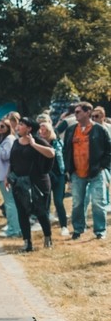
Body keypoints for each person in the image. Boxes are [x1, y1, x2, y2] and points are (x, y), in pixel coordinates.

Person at [63, 102, 111, 240]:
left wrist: (102, 166)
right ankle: (78, 229)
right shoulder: (71, 130)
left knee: (98, 202)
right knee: (77, 202)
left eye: (78, 112)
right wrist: (68, 169)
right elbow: (66, 150)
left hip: (96, 172)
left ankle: (100, 231)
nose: (75, 114)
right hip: (77, 172)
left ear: (87, 113)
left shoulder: (99, 130)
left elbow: (109, 150)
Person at [7, 118, 55, 252]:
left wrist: (33, 144)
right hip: (19, 183)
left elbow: (51, 153)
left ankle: (48, 238)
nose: (18, 127)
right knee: (22, 212)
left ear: (29, 129)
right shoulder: (16, 142)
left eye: (21, 125)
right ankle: (27, 243)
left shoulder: (37, 140)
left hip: (37, 183)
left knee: (41, 212)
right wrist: (8, 176)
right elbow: (12, 161)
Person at [0, 118, 19, 238]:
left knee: (10, 203)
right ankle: (13, 227)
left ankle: (14, 230)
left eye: (2, 126)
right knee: (10, 202)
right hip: (1, 175)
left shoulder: (9, 139)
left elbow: (6, 156)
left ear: (8, 128)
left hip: (5, 175)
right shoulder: (4, 139)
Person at [38, 121, 69, 236]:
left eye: (45, 129)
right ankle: (46, 229)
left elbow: (61, 158)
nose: (43, 132)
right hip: (45, 175)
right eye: (41, 130)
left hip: (58, 175)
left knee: (58, 202)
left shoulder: (57, 143)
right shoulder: (38, 143)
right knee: (45, 202)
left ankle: (64, 226)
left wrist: (66, 173)